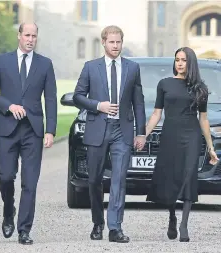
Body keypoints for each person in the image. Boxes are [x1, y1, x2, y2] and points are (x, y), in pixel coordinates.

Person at [0, 22, 57, 245]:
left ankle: (24, 229)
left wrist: (50, 130)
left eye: (34, 36)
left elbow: (51, 99)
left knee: (30, 182)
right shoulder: (2, 61)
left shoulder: (45, 64)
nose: (30, 39)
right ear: (19, 36)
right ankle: (8, 210)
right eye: (27, 35)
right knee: (5, 177)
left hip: (32, 130)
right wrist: (8, 106)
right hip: (7, 128)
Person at [73, 25, 146, 243]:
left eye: (119, 42)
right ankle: (98, 222)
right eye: (112, 42)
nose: (115, 46)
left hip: (121, 131)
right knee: (94, 179)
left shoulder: (132, 68)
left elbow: (138, 103)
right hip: (97, 129)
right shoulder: (90, 67)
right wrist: (98, 105)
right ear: (103, 42)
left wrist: (140, 133)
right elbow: (78, 96)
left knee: (119, 179)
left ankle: (115, 228)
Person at [145, 47, 219, 242]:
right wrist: (143, 135)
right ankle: (172, 216)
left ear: (190, 63)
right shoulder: (165, 84)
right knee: (171, 176)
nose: (179, 63)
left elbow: (203, 119)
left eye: (183, 60)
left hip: (192, 135)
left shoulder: (200, 88)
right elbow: (156, 114)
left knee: (188, 176)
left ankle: (184, 224)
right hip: (170, 134)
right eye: (177, 59)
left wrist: (210, 148)